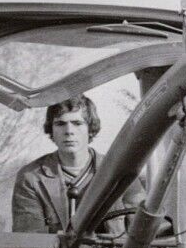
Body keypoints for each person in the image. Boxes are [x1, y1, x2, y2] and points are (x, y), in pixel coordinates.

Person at [11, 96, 144, 233]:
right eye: (60, 124)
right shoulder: (31, 178)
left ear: (90, 128)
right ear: (51, 130)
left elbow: (144, 231)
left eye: (77, 123)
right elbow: (30, 240)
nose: (69, 131)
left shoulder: (120, 172)